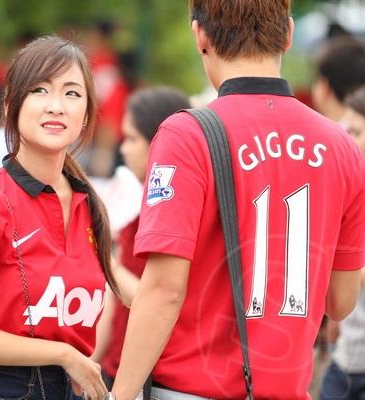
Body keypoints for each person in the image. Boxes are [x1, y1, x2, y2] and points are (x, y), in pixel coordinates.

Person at [111, 1, 365, 399]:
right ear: (288, 34)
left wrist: (121, 394)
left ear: (200, 35)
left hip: (192, 389)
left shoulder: (186, 136)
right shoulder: (342, 146)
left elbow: (164, 290)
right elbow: (340, 301)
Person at [0, 35, 117, 400]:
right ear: (11, 105)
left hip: (71, 386)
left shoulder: (89, 203)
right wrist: (63, 354)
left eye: (72, 93)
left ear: (86, 115)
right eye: (39, 90)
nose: (56, 106)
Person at [94, 87, 190, 391]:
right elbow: (114, 299)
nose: (124, 149)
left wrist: (105, 260)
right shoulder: (138, 206)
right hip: (118, 366)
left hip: (151, 375)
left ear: (160, 143)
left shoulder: (173, 215)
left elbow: (156, 297)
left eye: (133, 139)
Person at [319, 86, 365, 400]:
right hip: (346, 358)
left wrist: (341, 271)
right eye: (345, 130)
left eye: (356, 132)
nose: (346, 139)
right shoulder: (349, 191)